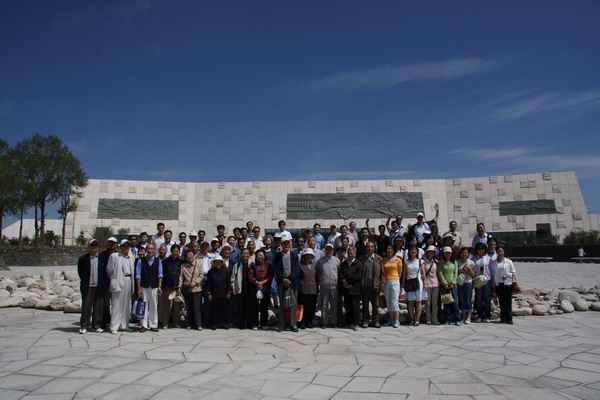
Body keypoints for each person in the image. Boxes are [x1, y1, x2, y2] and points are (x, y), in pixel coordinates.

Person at [78, 239, 108, 334]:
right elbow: (81, 272)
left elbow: (106, 272)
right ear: (89, 247)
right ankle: (84, 326)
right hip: (88, 286)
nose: (94, 247)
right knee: (86, 307)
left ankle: (97, 325)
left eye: (96, 246)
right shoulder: (83, 259)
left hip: (99, 286)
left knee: (98, 307)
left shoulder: (103, 258)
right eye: (92, 245)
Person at [106, 239, 136, 334]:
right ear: (121, 247)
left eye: (128, 246)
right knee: (116, 304)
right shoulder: (114, 256)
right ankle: (114, 326)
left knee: (127, 304)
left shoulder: (132, 257)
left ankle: (124, 325)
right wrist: (114, 279)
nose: (126, 248)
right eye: (124, 246)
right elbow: (109, 270)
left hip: (128, 280)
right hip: (118, 279)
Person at [135, 243, 163, 333]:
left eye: (152, 249)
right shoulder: (141, 261)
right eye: (148, 249)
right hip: (144, 286)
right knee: (143, 305)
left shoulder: (158, 261)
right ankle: (143, 325)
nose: (150, 250)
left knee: (154, 305)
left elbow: (160, 275)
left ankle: (153, 324)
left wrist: (159, 286)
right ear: (146, 250)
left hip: (154, 286)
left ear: (154, 250)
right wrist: (138, 289)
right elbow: (138, 275)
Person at [273, 237, 300, 332]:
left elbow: (296, 268)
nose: (286, 245)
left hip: (292, 283)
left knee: (293, 303)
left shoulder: (294, 255)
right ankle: (281, 325)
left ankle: (293, 324)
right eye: (284, 243)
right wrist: (283, 279)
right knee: (282, 304)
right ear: (281, 244)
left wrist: (290, 279)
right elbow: (276, 269)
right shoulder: (277, 256)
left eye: (288, 243)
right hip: (282, 283)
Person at [359, 241, 384, 328]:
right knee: (365, 305)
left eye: (371, 247)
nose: (369, 248)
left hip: (375, 285)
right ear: (365, 248)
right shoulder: (362, 259)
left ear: (374, 248)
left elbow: (382, 273)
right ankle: (365, 320)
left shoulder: (379, 259)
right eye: (368, 247)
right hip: (365, 285)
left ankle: (375, 321)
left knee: (375, 305)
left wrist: (382, 283)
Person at [316, 243, 340, 329]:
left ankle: (334, 322)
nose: (329, 251)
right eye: (327, 249)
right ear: (325, 250)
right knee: (324, 306)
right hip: (324, 286)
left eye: (330, 249)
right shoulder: (320, 261)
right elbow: (318, 272)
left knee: (334, 305)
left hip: (334, 286)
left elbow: (338, 271)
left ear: (333, 251)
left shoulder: (337, 260)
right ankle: (324, 322)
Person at [248, 248, 273, 330]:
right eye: (258, 255)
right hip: (255, 289)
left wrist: (262, 282)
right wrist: (257, 283)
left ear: (264, 256)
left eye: (261, 255)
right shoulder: (253, 265)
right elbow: (250, 276)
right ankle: (255, 324)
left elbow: (270, 276)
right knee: (254, 307)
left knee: (264, 307)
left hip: (265, 288)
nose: (260, 257)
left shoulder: (268, 265)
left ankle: (264, 323)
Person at [339, 246, 363, 331]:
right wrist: (343, 280)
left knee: (355, 307)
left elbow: (358, 276)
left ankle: (356, 323)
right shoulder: (344, 264)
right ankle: (348, 322)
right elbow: (341, 273)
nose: (349, 255)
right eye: (348, 253)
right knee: (347, 306)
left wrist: (347, 281)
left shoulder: (359, 264)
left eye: (351, 253)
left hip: (355, 289)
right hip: (346, 289)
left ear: (355, 254)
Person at [159, 244, 182, 329]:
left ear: (179, 252)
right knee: (166, 305)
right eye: (174, 251)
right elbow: (162, 273)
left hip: (176, 286)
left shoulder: (181, 261)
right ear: (171, 252)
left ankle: (176, 322)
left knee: (176, 305)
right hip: (167, 285)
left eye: (177, 251)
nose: (175, 253)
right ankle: (165, 323)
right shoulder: (165, 261)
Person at [178, 250, 203, 330]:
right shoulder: (183, 266)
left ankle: (198, 324)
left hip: (196, 288)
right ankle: (189, 323)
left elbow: (201, 275)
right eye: (188, 255)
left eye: (191, 255)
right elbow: (181, 277)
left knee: (197, 307)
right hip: (187, 288)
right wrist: (179, 287)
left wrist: (196, 282)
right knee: (189, 307)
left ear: (194, 255)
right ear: (185, 257)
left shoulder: (198, 264)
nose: (190, 257)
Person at [206, 255, 231, 330]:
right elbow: (208, 283)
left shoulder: (226, 271)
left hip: (224, 293)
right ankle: (214, 324)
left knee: (224, 309)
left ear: (221, 262)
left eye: (219, 262)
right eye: (216, 262)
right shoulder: (210, 272)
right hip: (214, 293)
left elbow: (228, 282)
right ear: (214, 263)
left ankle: (224, 323)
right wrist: (209, 293)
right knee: (214, 310)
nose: (218, 264)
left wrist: (228, 292)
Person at [492, 246, 516, 324]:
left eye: (501, 251)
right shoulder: (494, 263)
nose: (500, 253)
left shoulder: (508, 262)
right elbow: (493, 274)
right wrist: (493, 283)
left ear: (504, 252)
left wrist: (507, 275)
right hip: (498, 284)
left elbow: (513, 273)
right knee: (501, 302)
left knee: (508, 302)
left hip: (507, 284)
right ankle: (503, 318)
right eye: (498, 252)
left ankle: (509, 318)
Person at [404, 246, 427, 326]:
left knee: (418, 301)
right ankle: (411, 318)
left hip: (418, 282)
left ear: (417, 252)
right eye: (412, 250)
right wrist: (403, 284)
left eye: (415, 250)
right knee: (410, 301)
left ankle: (417, 319)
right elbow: (404, 274)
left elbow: (423, 274)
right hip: (409, 282)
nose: (413, 252)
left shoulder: (420, 261)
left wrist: (425, 283)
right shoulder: (406, 262)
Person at [438, 247, 461, 326]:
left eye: (449, 253)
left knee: (455, 303)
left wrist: (453, 282)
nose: (448, 254)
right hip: (445, 286)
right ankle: (447, 319)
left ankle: (457, 319)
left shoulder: (454, 262)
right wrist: (445, 283)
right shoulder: (441, 262)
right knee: (446, 303)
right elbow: (440, 273)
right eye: (446, 253)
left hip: (453, 285)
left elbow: (455, 273)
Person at [382, 245, 403, 328]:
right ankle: (391, 320)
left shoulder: (398, 260)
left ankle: (396, 320)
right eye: (388, 249)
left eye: (391, 249)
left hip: (395, 280)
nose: (389, 250)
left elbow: (400, 272)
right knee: (388, 301)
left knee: (394, 301)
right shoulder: (384, 260)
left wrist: (397, 279)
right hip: (386, 281)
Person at [472, 242, 493, 323]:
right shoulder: (474, 259)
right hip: (478, 280)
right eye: (479, 249)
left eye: (482, 249)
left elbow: (491, 270)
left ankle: (487, 315)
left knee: (487, 299)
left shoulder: (489, 258)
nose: (481, 250)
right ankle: (480, 315)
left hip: (487, 280)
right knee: (479, 299)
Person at [231, 248, 251, 329]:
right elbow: (233, 278)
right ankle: (241, 324)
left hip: (249, 288)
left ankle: (249, 323)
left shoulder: (252, 264)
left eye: (247, 253)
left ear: (249, 255)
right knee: (240, 307)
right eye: (243, 253)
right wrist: (233, 288)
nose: (245, 255)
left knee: (249, 306)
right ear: (241, 255)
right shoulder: (237, 265)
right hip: (240, 287)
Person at [298, 248, 318, 329]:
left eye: (310, 255)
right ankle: (301, 322)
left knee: (311, 307)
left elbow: (317, 277)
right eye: (307, 255)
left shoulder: (315, 265)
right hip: (303, 289)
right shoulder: (300, 265)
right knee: (303, 307)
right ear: (304, 256)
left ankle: (309, 322)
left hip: (313, 289)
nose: (308, 256)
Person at [196, 240, 213, 327]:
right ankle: (199, 321)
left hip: (208, 278)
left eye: (206, 246)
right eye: (203, 246)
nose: (205, 248)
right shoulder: (196, 257)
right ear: (200, 247)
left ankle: (206, 320)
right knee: (198, 300)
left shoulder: (212, 257)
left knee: (207, 301)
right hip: (199, 279)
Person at [457, 247, 476, 324]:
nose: (464, 254)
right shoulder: (457, 262)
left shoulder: (471, 262)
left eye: (466, 253)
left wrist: (469, 269)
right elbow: (456, 272)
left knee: (468, 300)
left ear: (468, 254)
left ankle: (469, 316)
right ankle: (463, 316)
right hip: (460, 283)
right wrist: (462, 270)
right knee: (462, 300)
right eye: (463, 252)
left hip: (468, 282)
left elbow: (473, 274)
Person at [422, 245, 440, 325]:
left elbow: (437, 273)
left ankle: (434, 318)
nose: (430, 254)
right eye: (429, 252)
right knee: (428, 303)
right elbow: (423, 274)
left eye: (432, 252)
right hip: (427, 283)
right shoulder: (423, 262)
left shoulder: (436, 262)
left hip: (435, 283)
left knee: (434, 303)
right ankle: (428, 318)